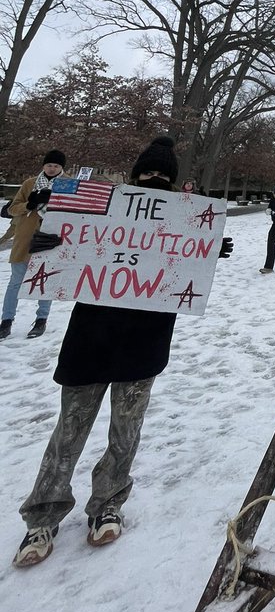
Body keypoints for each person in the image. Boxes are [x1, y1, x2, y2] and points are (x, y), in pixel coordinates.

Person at [11, 135, 233, 567]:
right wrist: (45, 245)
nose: (155, 181)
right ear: (134, 177)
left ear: (173, 182)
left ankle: (108, 502)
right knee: (68, 431)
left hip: (144, 342)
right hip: (90, 338)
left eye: (163, 177)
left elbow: (178, 260)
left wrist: (208, 252)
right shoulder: (99, 211)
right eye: (148, 174)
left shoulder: (180, 221)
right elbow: (65, 244)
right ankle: (43, 514)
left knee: (125, 432)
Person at [0, 149, 67, 341]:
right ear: (43, 165)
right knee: (16, 282)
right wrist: (29, 205)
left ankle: (41, 319)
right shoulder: (29, 183)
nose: (52, 168)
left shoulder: (68, 184)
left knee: (45, 281)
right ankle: (6, 321)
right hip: (25, 238)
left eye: (56, 165)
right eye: (49, 165)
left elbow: (73, 211)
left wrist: (53, 203)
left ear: (61, 167)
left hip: (51, 239)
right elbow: (12, 209)